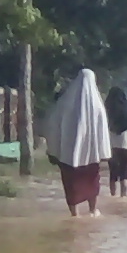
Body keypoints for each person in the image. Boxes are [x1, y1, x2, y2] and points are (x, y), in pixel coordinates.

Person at [45, 68, 114, 214]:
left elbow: (53, 126)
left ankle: (74, 215)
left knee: (71, 184)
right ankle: (92, 211)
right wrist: (104, 153)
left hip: (68, 155)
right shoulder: (98, 107)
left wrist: (53, 150)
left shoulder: (64, 103)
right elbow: (103, 133)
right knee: (92, 183)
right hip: (92, 156)